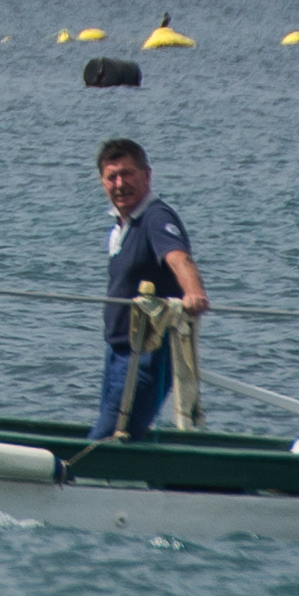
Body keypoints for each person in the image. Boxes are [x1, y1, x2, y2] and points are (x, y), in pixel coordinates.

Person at [89, 138, 208, 439]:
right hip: (117, 350)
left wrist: (194, 293)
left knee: (108, 437)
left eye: (128, 174)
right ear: (102, 182)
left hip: (146, 355)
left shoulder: (155, 218)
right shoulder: (124, 224)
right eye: (111, 177)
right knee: (122, 432)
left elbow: (178, 258)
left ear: (147, 175)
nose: (120, 184)